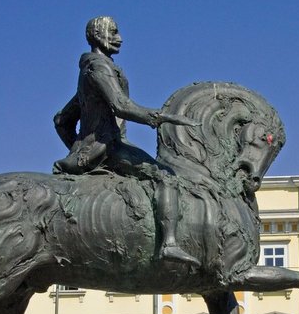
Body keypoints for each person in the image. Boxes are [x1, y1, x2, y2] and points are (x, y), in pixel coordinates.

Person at [53, 16, 199, 267]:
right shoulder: (99, 67)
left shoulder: (89, 70)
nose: (120, 38)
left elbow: (61, 120)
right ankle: (169, 244)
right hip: (109, 147)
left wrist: (78, 151)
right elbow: (120, 105)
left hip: (98, 147)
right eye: (115, 32)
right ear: (99, 35)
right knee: (165, 178)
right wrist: (160, 118)